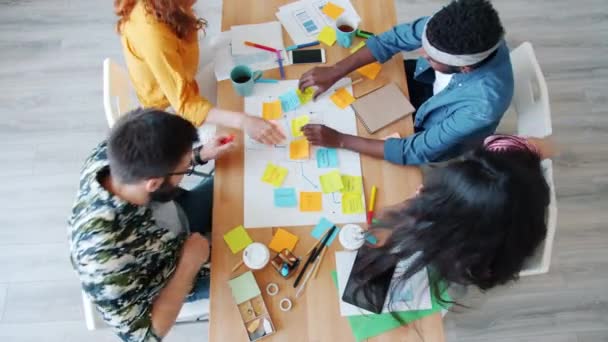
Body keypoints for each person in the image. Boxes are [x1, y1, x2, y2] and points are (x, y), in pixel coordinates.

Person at [68, 108, 231, 341]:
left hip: (178, 218)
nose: (187, 171)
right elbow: (144, 336)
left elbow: (157, 159)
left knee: (238, 180)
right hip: (178, 274)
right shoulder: (103, 256)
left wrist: (198, 155)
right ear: (153, 184)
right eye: (184, 169)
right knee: (262, 271)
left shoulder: (110, 152)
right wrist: (188, 265)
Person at [299, 0, 513, 165]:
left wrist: (340, 141)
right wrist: (337, 70)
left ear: (465, 69)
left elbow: (417, 150)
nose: (420, 52)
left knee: (367, 148)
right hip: (425, 83)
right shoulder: (451, 28)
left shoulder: (483, 105)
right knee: (361, 110)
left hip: (433, 129)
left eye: (429, 57)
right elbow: (390, 40)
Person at [350, 135, 550, 308]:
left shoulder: (479, 257)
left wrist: (422, 213)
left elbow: (468, 271)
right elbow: (545, 145)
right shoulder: (503, 151)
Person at [114, 0, 284, 145]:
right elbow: (185, 104)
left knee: (229, 45)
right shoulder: (153, 35)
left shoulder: (165, 6)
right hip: (170, 106)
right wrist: (244, 120)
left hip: (183, 70)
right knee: (234, 133)